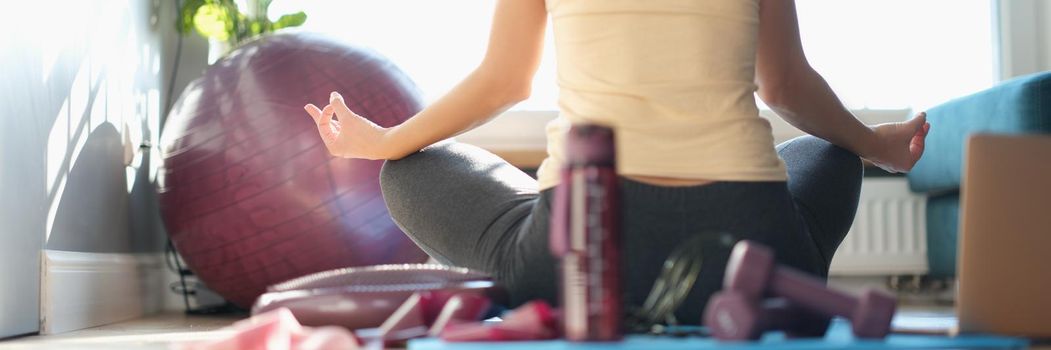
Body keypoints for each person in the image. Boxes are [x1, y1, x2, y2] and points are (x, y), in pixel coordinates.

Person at [303, 0, 929, 323]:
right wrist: (876, 147)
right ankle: (785, 274)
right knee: (832, 152)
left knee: (409, 169)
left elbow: (504, 81)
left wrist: (387, 141)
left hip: (576, 262)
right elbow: (786, 86)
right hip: (753, 255)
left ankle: (526, 286)